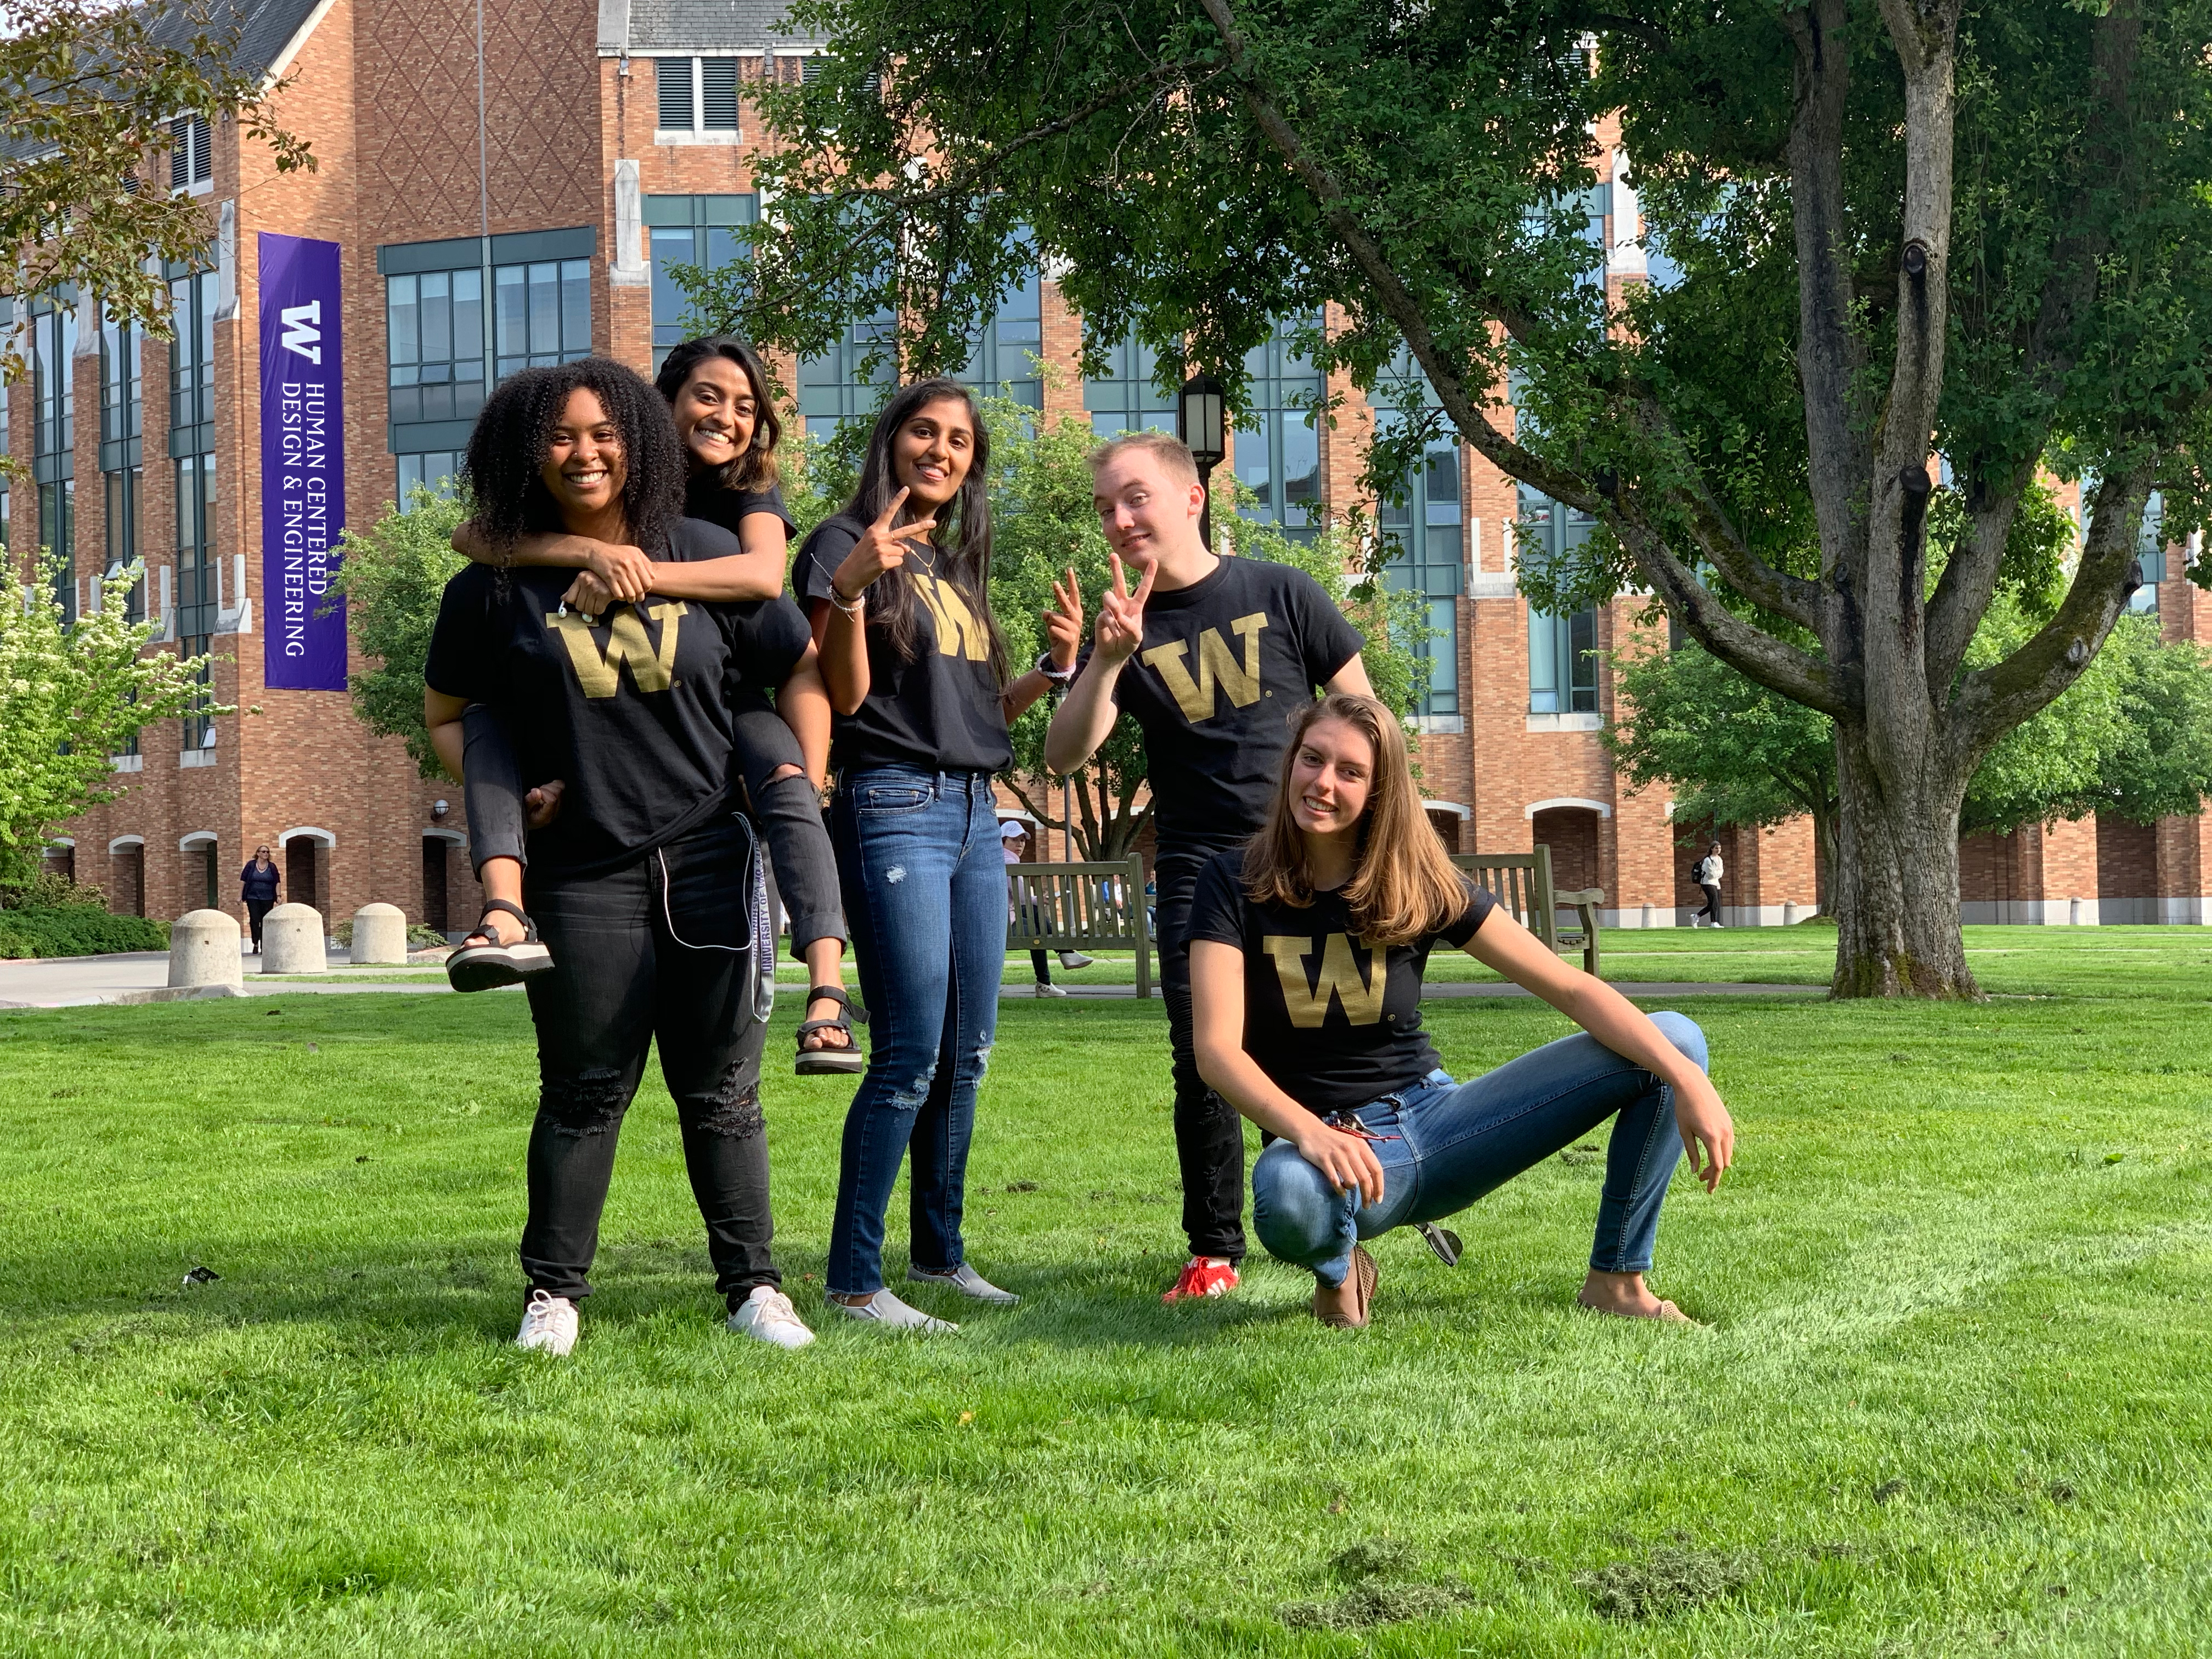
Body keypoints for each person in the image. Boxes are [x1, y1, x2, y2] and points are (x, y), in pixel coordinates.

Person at [423, 357, 814, 1356]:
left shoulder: (705, 551)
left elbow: (795, 665)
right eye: (560, 436)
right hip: (582, 868)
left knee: (724, 1094)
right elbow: (446, 716)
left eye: (603, 432)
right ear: (526, 453)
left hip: (711, 860)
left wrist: (793, 774)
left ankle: (754, 1285)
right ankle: (553, 1292)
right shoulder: (494, 586)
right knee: (585, 1089)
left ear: (638, 439)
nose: (585, 451)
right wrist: (515, 790)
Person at [1190, 694, 1735, 1328]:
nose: (1322, 783)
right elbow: (1217, 1051)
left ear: (1378, 790)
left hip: (1440, 1123)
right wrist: (1311, 1132)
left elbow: (1568, 987)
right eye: (1312, 760)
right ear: (1291, 763)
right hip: (1331, 1147)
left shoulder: (1417, 880)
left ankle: (1616, 1280)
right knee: (1285, 1194)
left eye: (1350, 772)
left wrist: (1687, 1077)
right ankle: (1341, 1273)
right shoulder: (1232, 881)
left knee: (1673, 1041)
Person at [443, 337, 860, 1073]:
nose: (726, 416)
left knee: (790, 783)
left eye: (745, 405)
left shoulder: (745, 486)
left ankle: (827, 990)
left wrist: (642, 573)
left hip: (732, 695)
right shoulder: (604, 470)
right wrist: (592, 554)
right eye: (707, 395)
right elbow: (471, 536)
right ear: (658, 404)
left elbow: (765, 578)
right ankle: (504, 911)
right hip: (622, 775)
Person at [1045, 429, 1371, 1305]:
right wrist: (1107, 660)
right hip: (1196, 869)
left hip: (1301, 859)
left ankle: (1338, 1222)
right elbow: (1064, 755)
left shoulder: (1282, 592)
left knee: (1316, 1041)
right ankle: (1214, 1251)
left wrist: (1366, 840)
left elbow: (1367, 720)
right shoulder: (1128, 629)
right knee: (1205, 1056)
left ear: (1192, 498)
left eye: (1136, 497)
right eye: (1107, 507)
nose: (1119, 519)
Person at [794, 378, 1079, 1333]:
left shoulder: (954, 570)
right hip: (894, 804)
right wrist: (847, 588)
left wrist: (1053, 668)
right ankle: (853, 1277)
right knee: (910, 1050)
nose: (943, 450)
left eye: (960, 441)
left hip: (971, 811)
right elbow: (845, 695)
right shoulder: (842, 543)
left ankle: (939, 1255)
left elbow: (973, 719)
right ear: (891, 441)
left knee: (967, 1053)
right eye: (926, 430)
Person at [1000, 821, 1093, 996]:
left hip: (1003, 918)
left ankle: (1060, 962)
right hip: (1003, 924)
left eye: (1022, 840)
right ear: (1003, 841)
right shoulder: (1008, 863)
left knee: (1037, 921)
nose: (1020, 844)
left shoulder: (1000, 860)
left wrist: (1038, 900)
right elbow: (1022, 899)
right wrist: (1041, 900)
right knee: (1038, 930)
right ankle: (1055, 968)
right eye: (1014, 840)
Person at [239, 847, 280, 953]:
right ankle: (256, 942)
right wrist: (240, 895)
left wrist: (278, 896)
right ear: (258, 853)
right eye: (263, 852)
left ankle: (264, 944)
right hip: (253, 897)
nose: (266, 853)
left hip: (268, 897)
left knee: (265, 921)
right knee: (255, 920)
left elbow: (277, 882)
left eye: (267, 852)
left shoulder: (272, 867)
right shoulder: (251, 865)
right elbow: (243, 880)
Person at [1693, 841, 1725, 928]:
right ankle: (1713, 922)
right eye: (1716, 848)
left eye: (1720, 848)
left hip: (1716, 883)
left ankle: (1697, 916)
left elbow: (1721, 873)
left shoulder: (1719, 859)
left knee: (1713, 903)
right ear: (1712, 849)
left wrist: (1717, 873)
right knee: (1715, 901)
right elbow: (1711, 875)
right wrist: (1717, 873)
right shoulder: (1708, 860)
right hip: (1707, 883)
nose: (1718, 850)